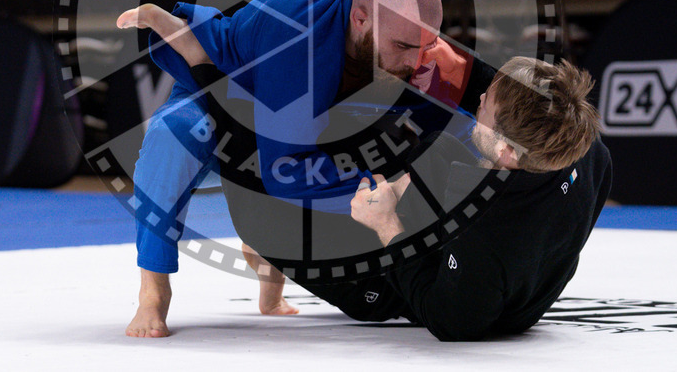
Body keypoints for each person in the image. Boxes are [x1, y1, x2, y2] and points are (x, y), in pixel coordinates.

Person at [161, 28, 612, 341]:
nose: (479, 100)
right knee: (416, 124)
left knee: (260, 202)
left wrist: (387, 225)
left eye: (487, 109)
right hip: (460, 219)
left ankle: (203, 67)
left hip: (398, 283)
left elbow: (450, 323)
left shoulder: (488, 243)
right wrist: (396, 27)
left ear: (507, 154)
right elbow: (477, 82)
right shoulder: (587, 152)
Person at [115, 0, 456, 337]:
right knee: (173, 137)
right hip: (220, 88)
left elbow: (469, 111)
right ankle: (154, 289)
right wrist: (386, 188)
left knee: (400, 146)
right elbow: (283, 172)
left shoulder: (398, 19)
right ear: (360, 20)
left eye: (429, 44)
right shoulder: (299, 38)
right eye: (405, 46)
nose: (417, 59)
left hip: (304, 111)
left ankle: (267, 260)